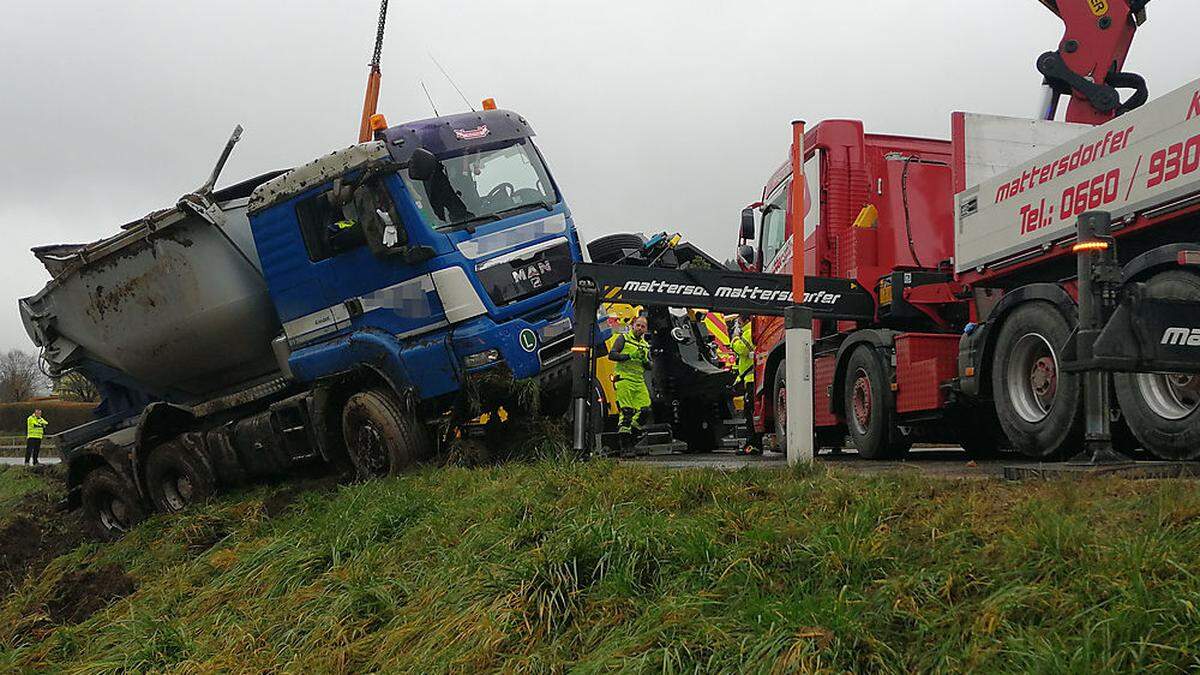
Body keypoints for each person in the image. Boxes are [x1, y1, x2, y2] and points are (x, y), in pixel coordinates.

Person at [608, 315, 652, 458]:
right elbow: (612, 355)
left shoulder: (646, 345)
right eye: (638, 325)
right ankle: (625, 447)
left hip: (639, 381)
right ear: (633, 325)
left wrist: (645, 360)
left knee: (645, 410)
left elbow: (650, 366)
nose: (640, 328)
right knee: (627, 413)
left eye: (643, 326)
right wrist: (629, 356)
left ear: (646, 329)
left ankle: (631, 437)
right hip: (624, 380)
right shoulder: (624, 338)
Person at [730, 317, 762, 455]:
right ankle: (753, 443)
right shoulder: (751, 331)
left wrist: (735, 337)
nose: (738, 324)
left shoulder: (749, 332)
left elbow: (740, 349)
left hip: (751, 379)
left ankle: (753, 445)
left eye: (739, 321)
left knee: (750, 415)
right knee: (749, 414)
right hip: (749, 378)